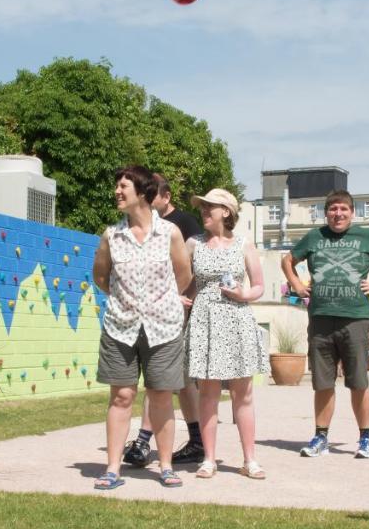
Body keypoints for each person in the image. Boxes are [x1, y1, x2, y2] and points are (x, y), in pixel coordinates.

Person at [281, 190, 369, 458]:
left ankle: (366, 438)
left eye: (343, 209)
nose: (338, 214)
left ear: (352, 212)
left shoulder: (366, 237)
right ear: (326, 212)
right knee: (322, 382)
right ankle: (321, 437)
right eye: (333, 209)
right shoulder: (314, 237)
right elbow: (287, 260)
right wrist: (297, 284)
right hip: (320, 317)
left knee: (358, 381)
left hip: (355, 318)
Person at [92, 165, 192, 490]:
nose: (117, 192)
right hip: (120, 326)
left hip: (163, 326)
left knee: (161, 394)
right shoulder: (112, 236)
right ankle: (112, 469)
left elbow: (184, 275)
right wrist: (127, 301)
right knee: (121, 395)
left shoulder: (170, 233)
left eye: (123, 186)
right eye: (116, 186)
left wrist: (162, 301)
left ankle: (164, 465)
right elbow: (101, 277)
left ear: (142, 191)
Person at [185, 188, 269, 480]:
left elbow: (259, 285)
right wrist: (181, 295)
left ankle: (250, 460)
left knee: (242, 394)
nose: (204, 211)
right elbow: (181, 277)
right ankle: (209, 459)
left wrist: (244, 293)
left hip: (237, 318)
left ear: (227, 212)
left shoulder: (244, 244)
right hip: (205, 321)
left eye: (211, 207)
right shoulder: (193, 244)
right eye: (203, 207)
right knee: (207, 394)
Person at [123, 173, 205, 466]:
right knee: (168, 380)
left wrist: (180, 298)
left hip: (175, 312)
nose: (145, 197)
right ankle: (190, 441)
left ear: (166, 196)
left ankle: (148, 442)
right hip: (148, 312)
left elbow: (194, 268)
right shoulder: (138, 227)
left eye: (151, 193)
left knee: (170, 380)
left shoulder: (183, 225)